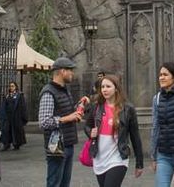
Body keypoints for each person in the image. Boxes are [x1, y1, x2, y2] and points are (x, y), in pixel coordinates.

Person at [86, 74, 143, 187]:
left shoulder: (128, 109)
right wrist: (90, 132)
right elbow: (87, 126)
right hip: (100, 157)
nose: (104, 89)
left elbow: (135, 137)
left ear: (116, 88)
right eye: (102, 87)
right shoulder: (96, 107)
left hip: (118, 157)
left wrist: (139, 163)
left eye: (108, 86)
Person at [40, 56, 84, 187]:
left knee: (65, 184)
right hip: (56, 147)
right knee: (54, 183)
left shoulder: (64, 90)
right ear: (62, 71)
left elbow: (66, 111)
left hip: (68, 143)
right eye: (70, 70)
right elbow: (44, 121)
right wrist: (67, 118)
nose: (72, 73)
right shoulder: (48, 92)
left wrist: (79, 107)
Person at [0, 80, 28, 151]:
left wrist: (23, 117)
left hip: (16, 116)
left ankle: (16, 144)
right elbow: (3, 105)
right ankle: (6, 144)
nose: (11, 88)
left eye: (12, 86)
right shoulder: (7, 95)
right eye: (10, 86)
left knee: (15, 131)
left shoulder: (19, 95)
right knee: (6, 130)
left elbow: (23, 107)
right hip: (8, 116)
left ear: (15, 87)